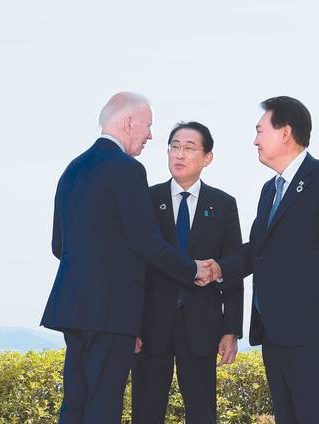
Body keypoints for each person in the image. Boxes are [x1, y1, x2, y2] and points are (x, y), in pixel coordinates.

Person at [40, 92, 213, 423]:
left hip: (73, 307)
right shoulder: (128, 170)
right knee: (103, 405)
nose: (150, 134)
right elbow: (146, 242)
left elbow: (59, 245)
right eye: (148, 125)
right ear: (129, 121)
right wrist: (191, 269)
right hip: (111, 310)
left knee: (75, 401)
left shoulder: (72, 169)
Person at [203, 96, 319, 424]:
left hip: (317, 331)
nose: (255, 139)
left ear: (285, 133)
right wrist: (220, 268)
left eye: (260, 131)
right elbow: (258, 249)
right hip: (276, 333)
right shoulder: (269, 190)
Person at [131, 122, 244, 424]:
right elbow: (135, 266)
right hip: (150, 325)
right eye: (174, 146)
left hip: (202, 325)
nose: (179, 154)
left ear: (208, 157)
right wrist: (131, 325)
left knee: (203, 412)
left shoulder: (223, 204)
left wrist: (231, 329)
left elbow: (232, 269)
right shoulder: (147, 199)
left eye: (189, 148)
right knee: (145, 410)